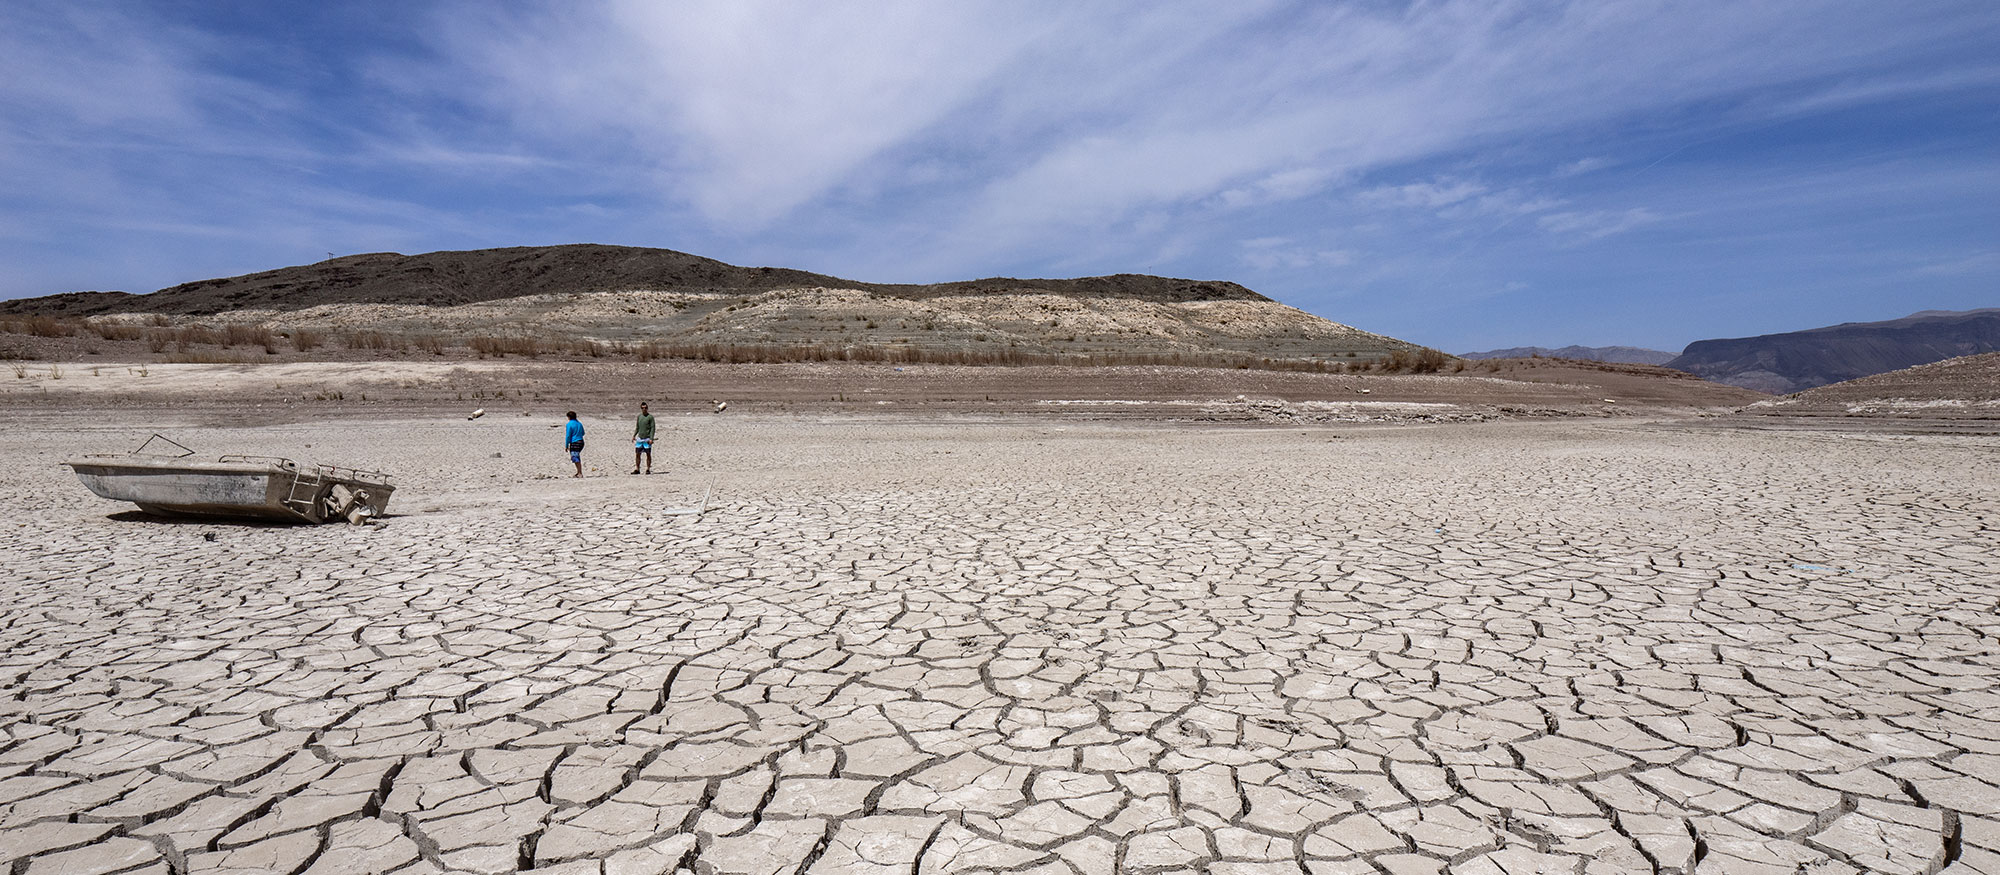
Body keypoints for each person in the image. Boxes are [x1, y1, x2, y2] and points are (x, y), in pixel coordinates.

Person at [631, 401, 656, 474]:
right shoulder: (639, 416)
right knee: (637, 453)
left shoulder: (650, 417)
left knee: (648, 454)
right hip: (640, 438)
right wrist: (634, 435)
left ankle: (648, 469)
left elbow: (652, 428)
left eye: (645, 408)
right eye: (642, 408)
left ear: (647, 408)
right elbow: (637, 427)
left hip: (647, 439)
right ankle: (637, 469)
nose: (644, 409)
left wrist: (651, 438)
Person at [564, 411, 585, 478]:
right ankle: (578, 472)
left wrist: (566, 445)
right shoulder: (579, 423)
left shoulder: (569, 424)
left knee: (575, 457)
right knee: (576, 456)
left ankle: (580, 473)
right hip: (581, 442)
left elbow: (568, 436)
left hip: (574, 442)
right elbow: (583, 433)